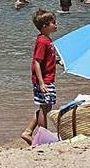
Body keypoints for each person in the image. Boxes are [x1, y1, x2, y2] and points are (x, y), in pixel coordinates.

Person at [21, 9, 57, 145]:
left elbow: (47, 59)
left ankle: (28, 132)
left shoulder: (47, 40)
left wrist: (57, 61)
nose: (56, 24)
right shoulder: (42, 41)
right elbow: (37, 62)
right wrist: (41, 83)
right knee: (44, 107)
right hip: (44, 80)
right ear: (44, 26)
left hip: (48, 79)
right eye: (53, 23)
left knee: (47, 107)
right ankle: (43, 136)